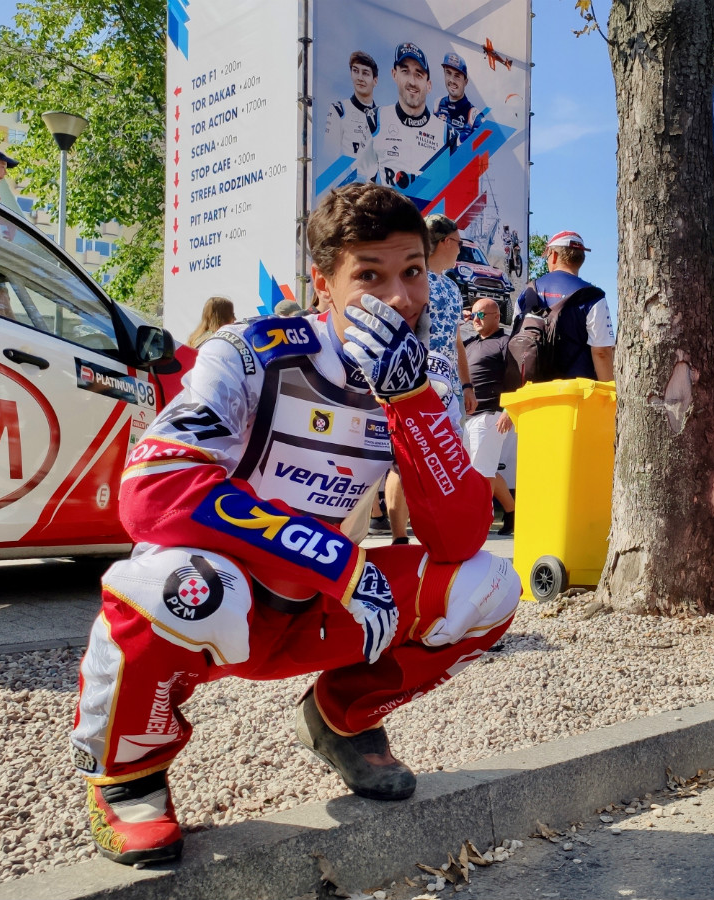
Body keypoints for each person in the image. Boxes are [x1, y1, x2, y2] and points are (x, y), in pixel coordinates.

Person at [69, 182, 520, 866]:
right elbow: (152, 488)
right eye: (369, 276)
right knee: (168, 582)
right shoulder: (246, 351)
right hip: (226, 601)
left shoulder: (418, 376)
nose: (399, 298)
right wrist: (335, 562)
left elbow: (458, 539)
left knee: (491, 588)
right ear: (323, 285)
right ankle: (128, 778)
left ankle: (342, 719)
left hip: (315, 612)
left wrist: (412, 403)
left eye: (412, 273)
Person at [383, 213, 477, 545]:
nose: (460, 249)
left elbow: (456, 340)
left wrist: (465, 384)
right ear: (442, 242)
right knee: (404, 457)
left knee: (445, 455)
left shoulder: (452, 287)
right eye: (457, 242)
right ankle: (399, 538)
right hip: (413, 379)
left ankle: (436, 531)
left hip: (447, 386)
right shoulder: (410, 277)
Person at [516, 231, 615, 381]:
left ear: (553, 254)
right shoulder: (593, 297)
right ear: (581, 259)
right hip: (575, 394)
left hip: (532, 394)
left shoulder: (528, 292)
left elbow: (516, 336)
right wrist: (610, 394)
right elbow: (601, 352)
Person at [463, 297, 516, 535]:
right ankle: (513, 512)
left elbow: (518, 378)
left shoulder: (506, 342)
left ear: (496, 316)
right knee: (481, 469)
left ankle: (477, 522)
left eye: (481, 315)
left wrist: (509, 410)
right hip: (466, 416)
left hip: (491, 415)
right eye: (472, 314)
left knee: (482, 473)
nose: (476, 319)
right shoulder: (469, 343)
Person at [378, 42, 443, 191]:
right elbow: (361, 183)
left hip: (428, 214)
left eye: (418, 74)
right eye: (405, 71)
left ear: (429, 85)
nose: (412, 81)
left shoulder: (448, 135)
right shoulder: (375, 119)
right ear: (394, 74)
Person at [323, 50, 381, 184]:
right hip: (348, 191)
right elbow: (329, 160)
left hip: (376, 194)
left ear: (375, 80)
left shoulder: (382, 116)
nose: (360, 78)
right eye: (356, 71)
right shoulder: (339, 110)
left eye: (365, 73)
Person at [434, 52, 484, 149]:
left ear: (466, 81)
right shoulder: (438, 103)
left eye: (457, 76)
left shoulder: (474, 115)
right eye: (448, 73)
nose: (452, 80)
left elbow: (481, 154)